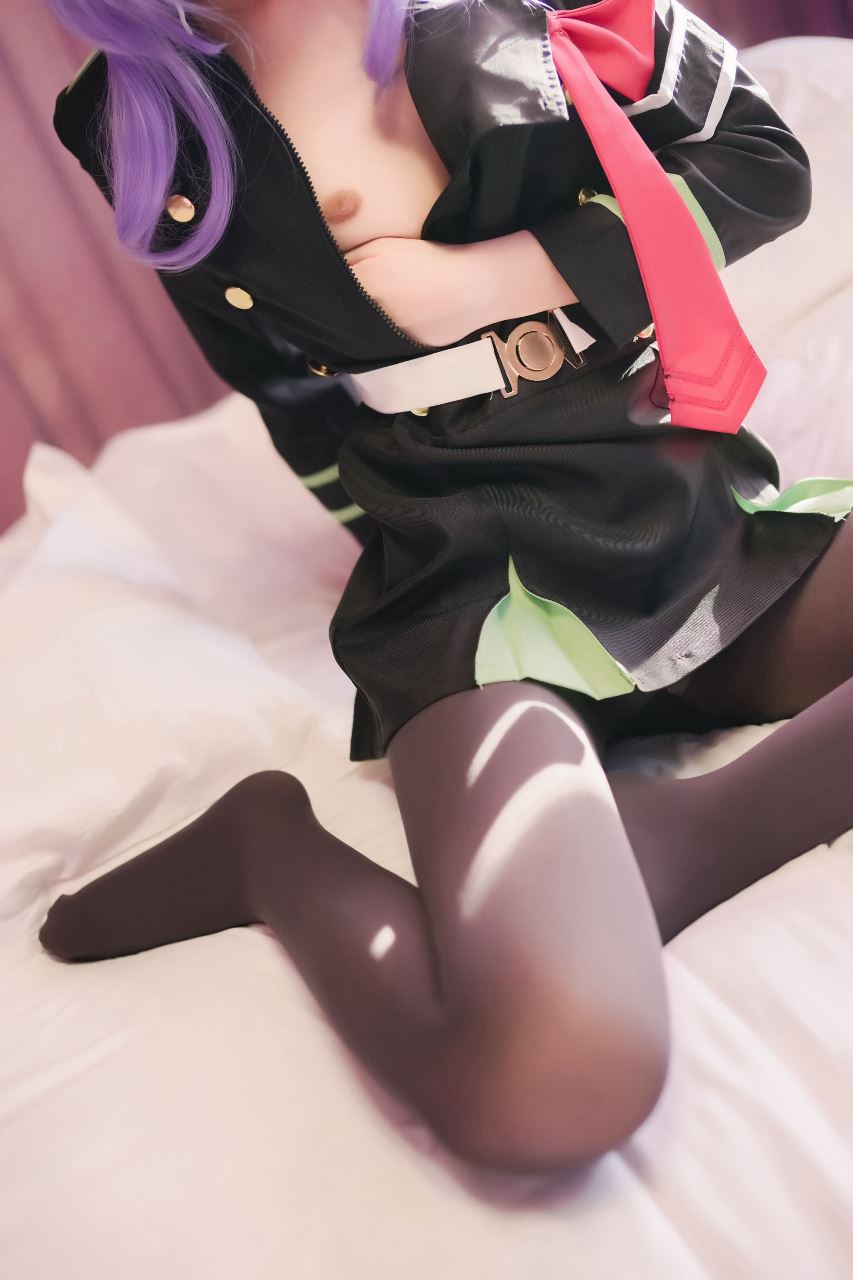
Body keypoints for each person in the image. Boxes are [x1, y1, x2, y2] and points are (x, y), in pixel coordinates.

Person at [38, 0, 853, 1175]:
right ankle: (263, 850)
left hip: (685, 515)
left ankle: (679, 840)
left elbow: (761, 162)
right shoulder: (144, 116)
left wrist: (491, 281)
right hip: (471, 590)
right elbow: (288, 393)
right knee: (553, 1079)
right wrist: (396, 528)